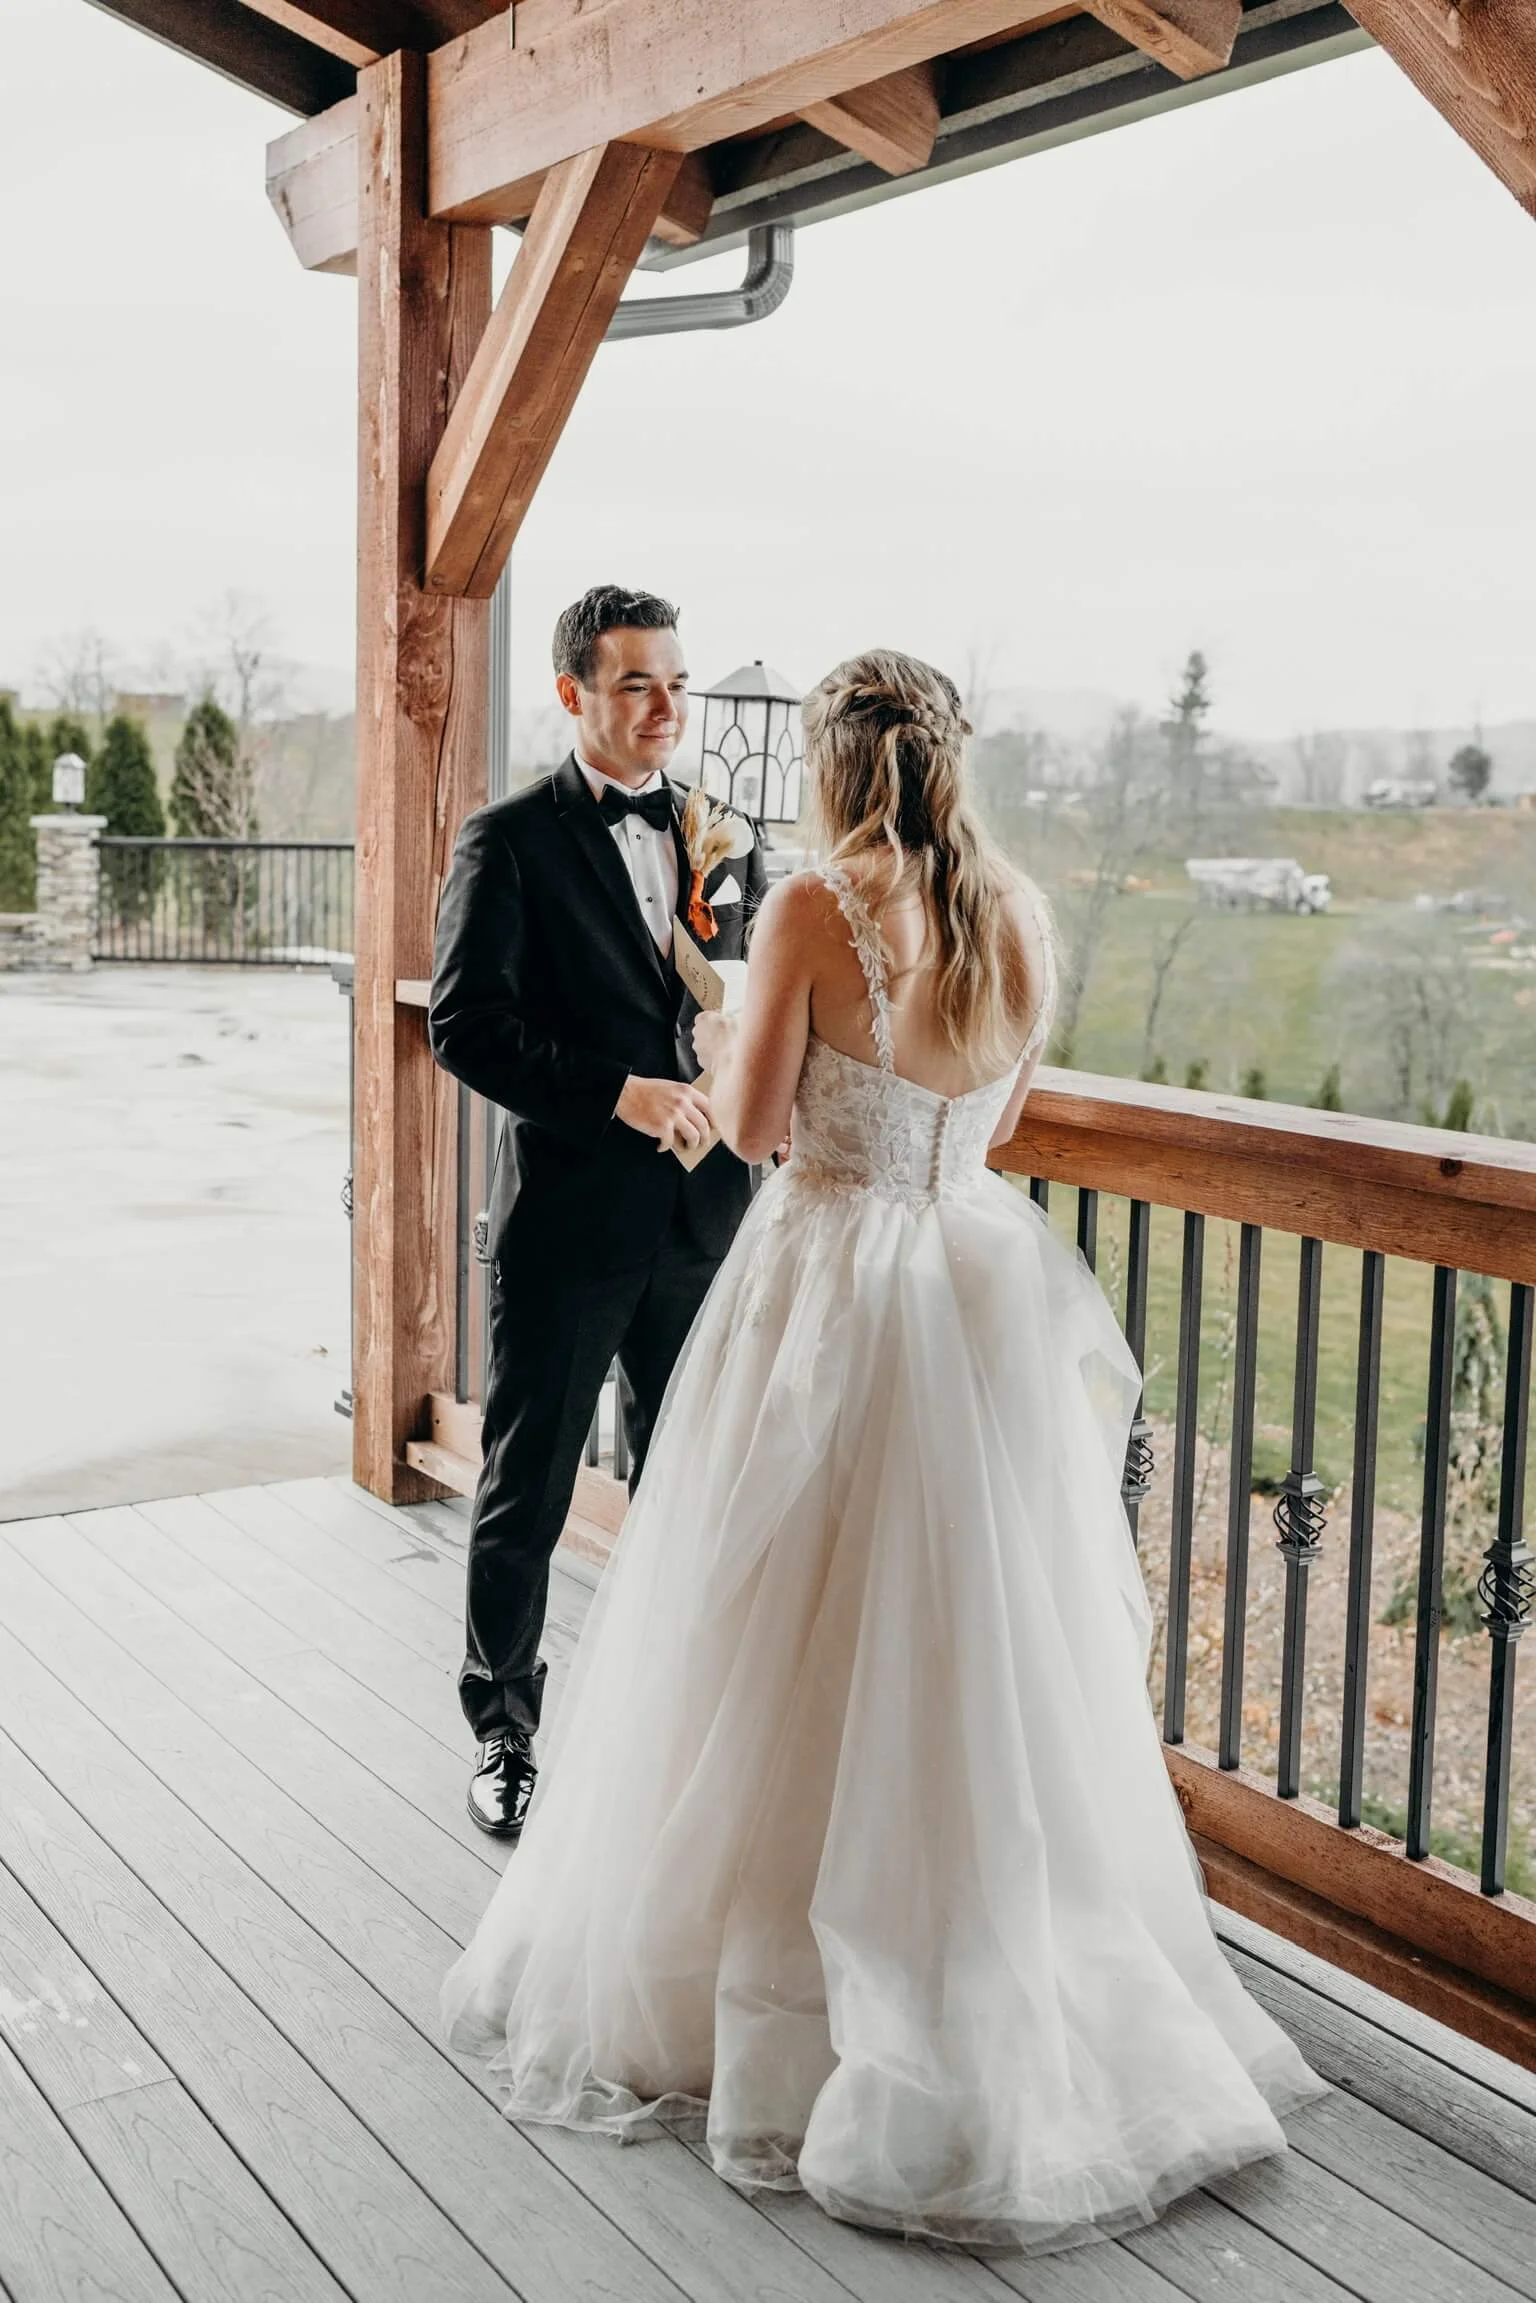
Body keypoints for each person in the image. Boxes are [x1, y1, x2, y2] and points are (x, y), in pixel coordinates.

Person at [441, 647, 1330, 2251]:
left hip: (833, 1284)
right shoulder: (1026, 913)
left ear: (839, 761)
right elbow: (1001, 1105)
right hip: (973, 1275)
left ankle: (767, 1994)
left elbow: (770, 1126)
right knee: (975, 1638)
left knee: (775, 1616)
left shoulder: (809, 905)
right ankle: (980, 1953)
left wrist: (723, 1028)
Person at [428, 584, 766, 1839]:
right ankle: (504, 1730)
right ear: (573, 693)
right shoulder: (507, 838)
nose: (666, 704)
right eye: (636, 682)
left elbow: (745, 1002)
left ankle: (673, 1730)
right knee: (531, 1484)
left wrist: (736, 1092)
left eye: (676, 680)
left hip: (705, 1223)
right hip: (572, 1224)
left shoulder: (724, 834)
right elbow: (466, 1025)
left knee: (694, 1483)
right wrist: (615, 1097)